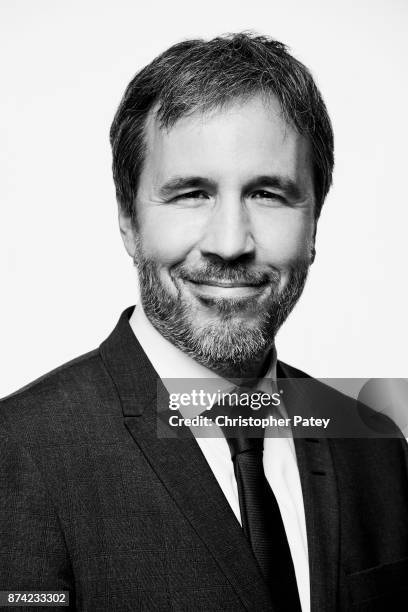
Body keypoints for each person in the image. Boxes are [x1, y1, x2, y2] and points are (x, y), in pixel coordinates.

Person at [1, 33, 407, 612]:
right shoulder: (19, 452)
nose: (229, 244)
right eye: (191, 194)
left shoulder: (376, 445)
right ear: (127, 220)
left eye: (268, 194)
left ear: (315, 220)